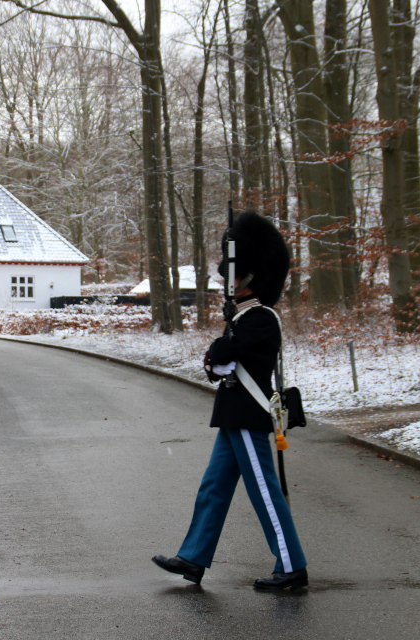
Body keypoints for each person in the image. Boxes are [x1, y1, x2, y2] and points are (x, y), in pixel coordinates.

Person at [152, 211, 308, 591]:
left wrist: (227, 332)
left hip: (249, 416)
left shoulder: (261, 318)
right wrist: (228, 327)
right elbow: (219, 363)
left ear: (249, 279)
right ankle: (193, 557)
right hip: (234, 416)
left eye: (232, 277)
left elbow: (222, 355)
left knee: (264, 492)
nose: (227, 283)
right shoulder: (245, 317)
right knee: (214, 488)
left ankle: (292, 565)